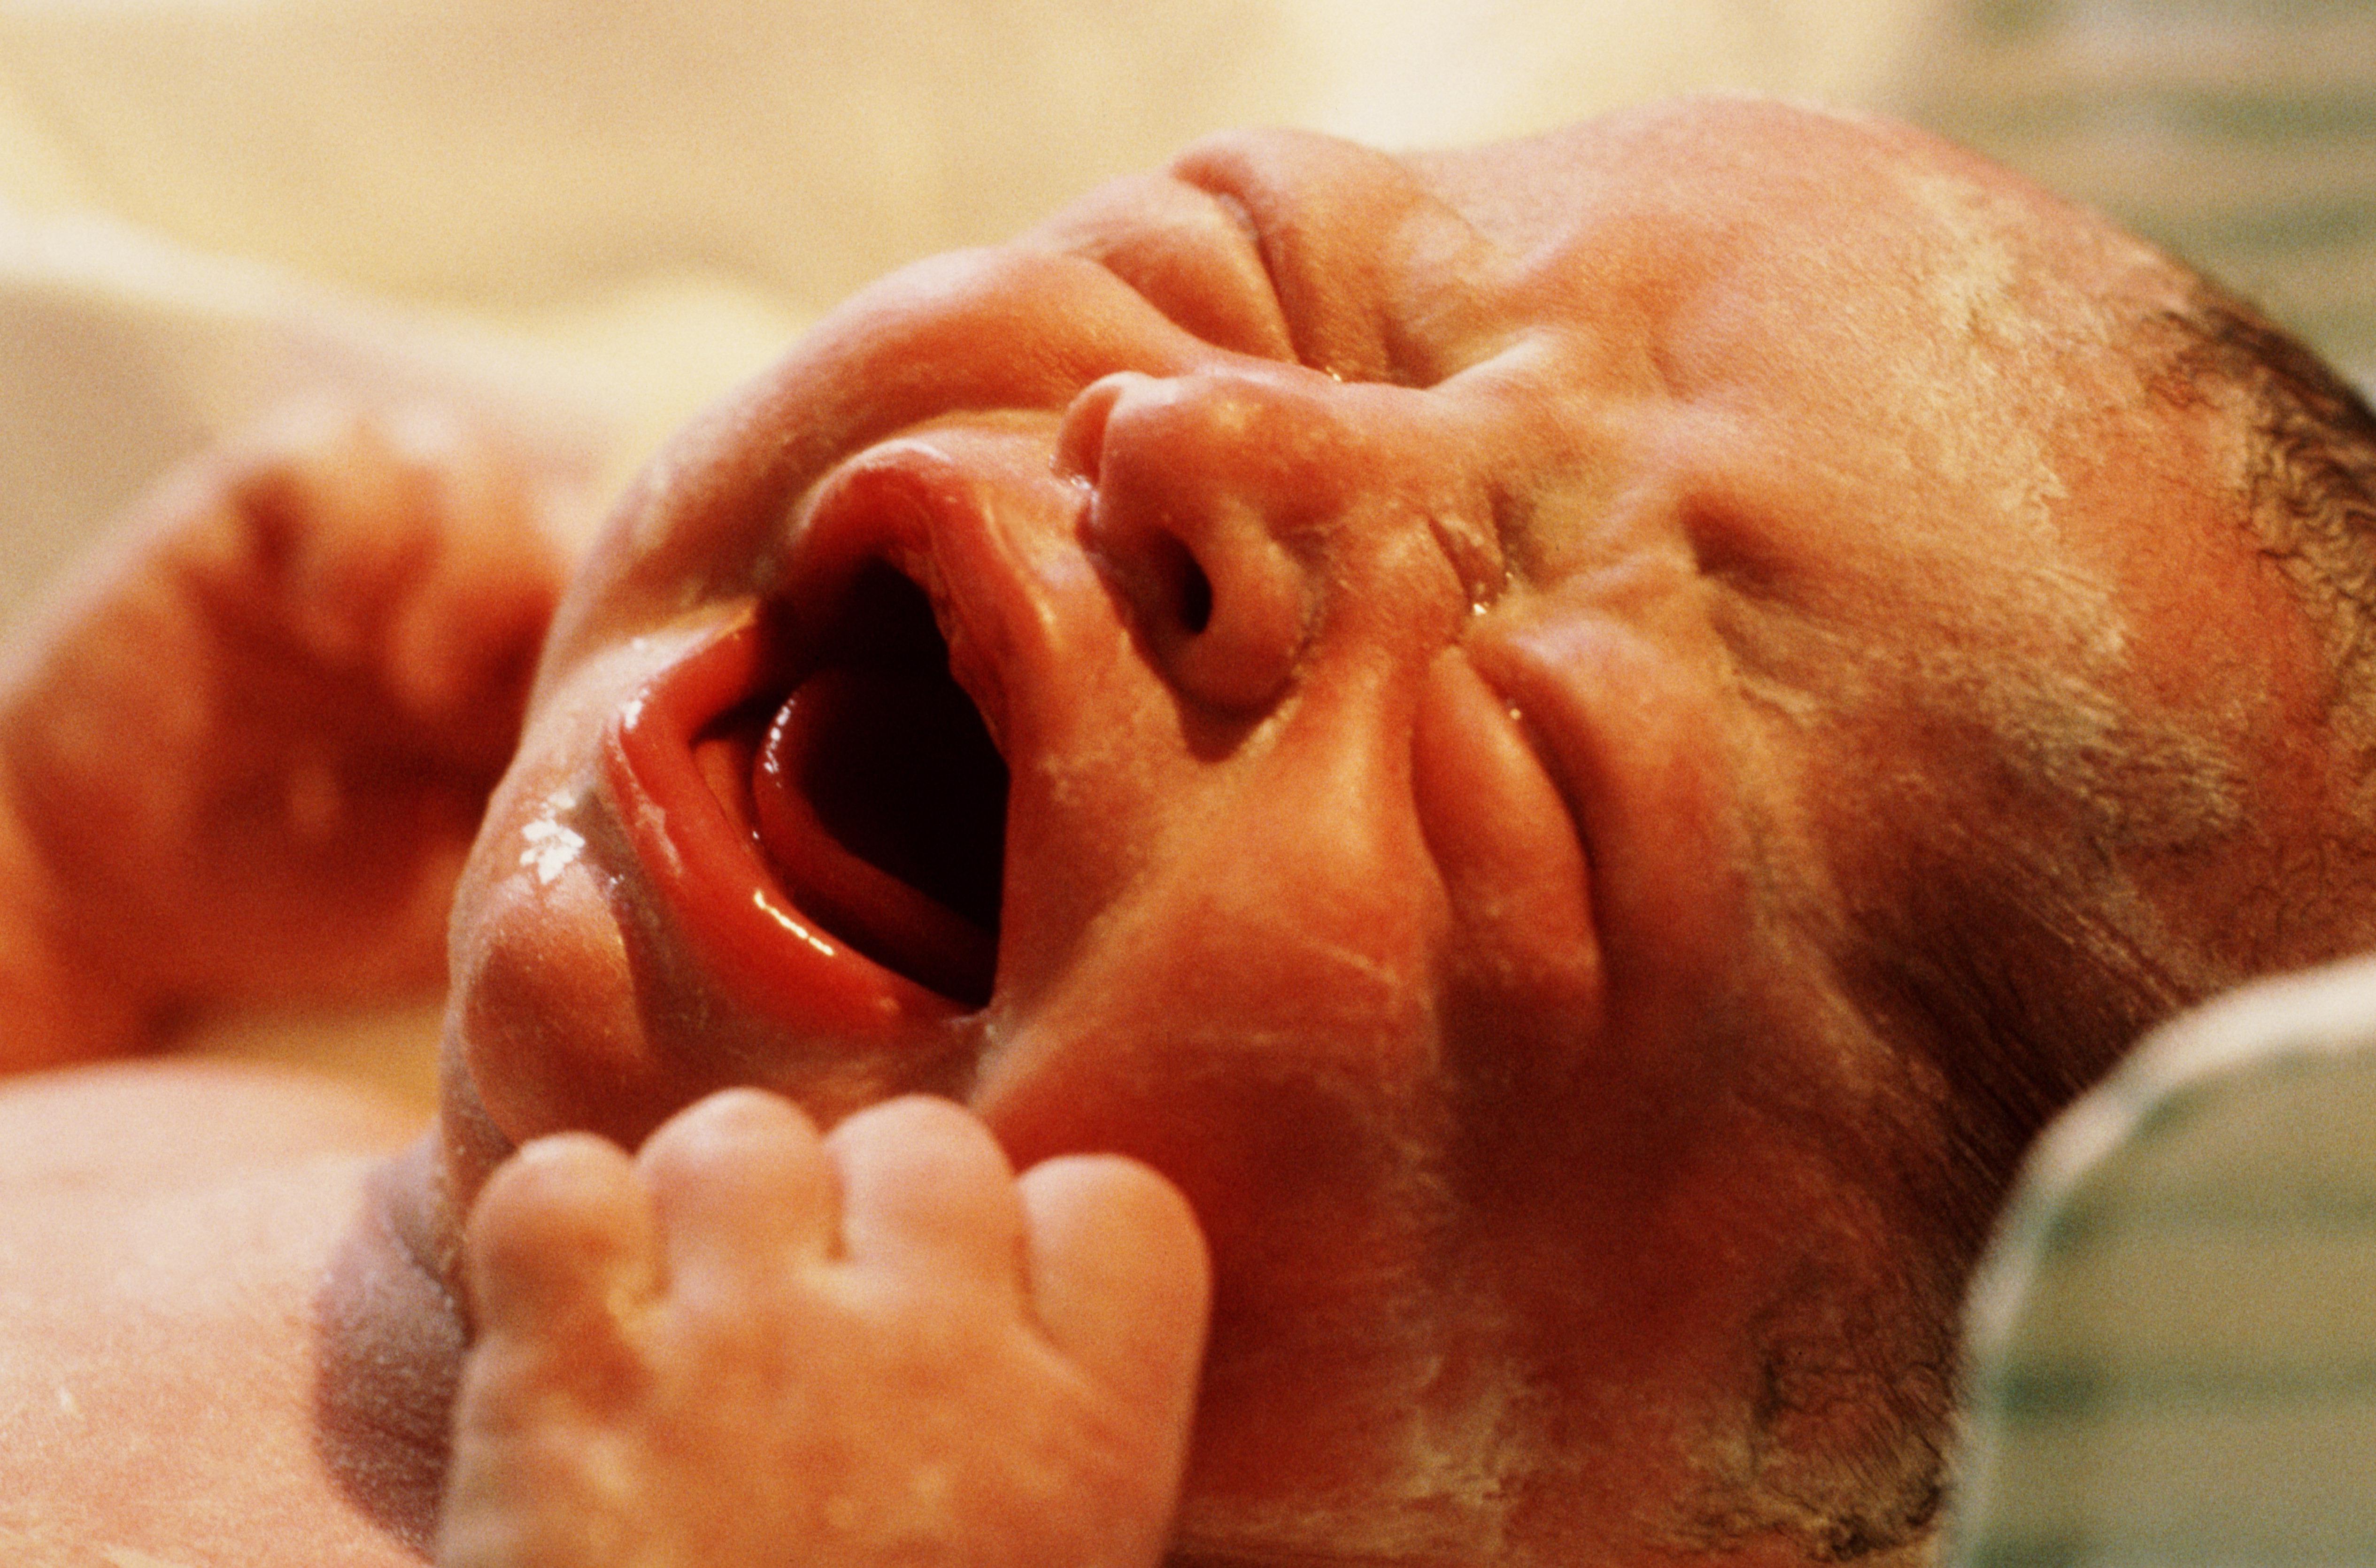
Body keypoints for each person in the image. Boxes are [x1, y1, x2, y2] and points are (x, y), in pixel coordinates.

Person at [5, 93, 2375, 1568]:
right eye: (1273, 286)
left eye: (1527, 764)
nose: (1214, 450)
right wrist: (66, 891)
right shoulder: (228, 1128)